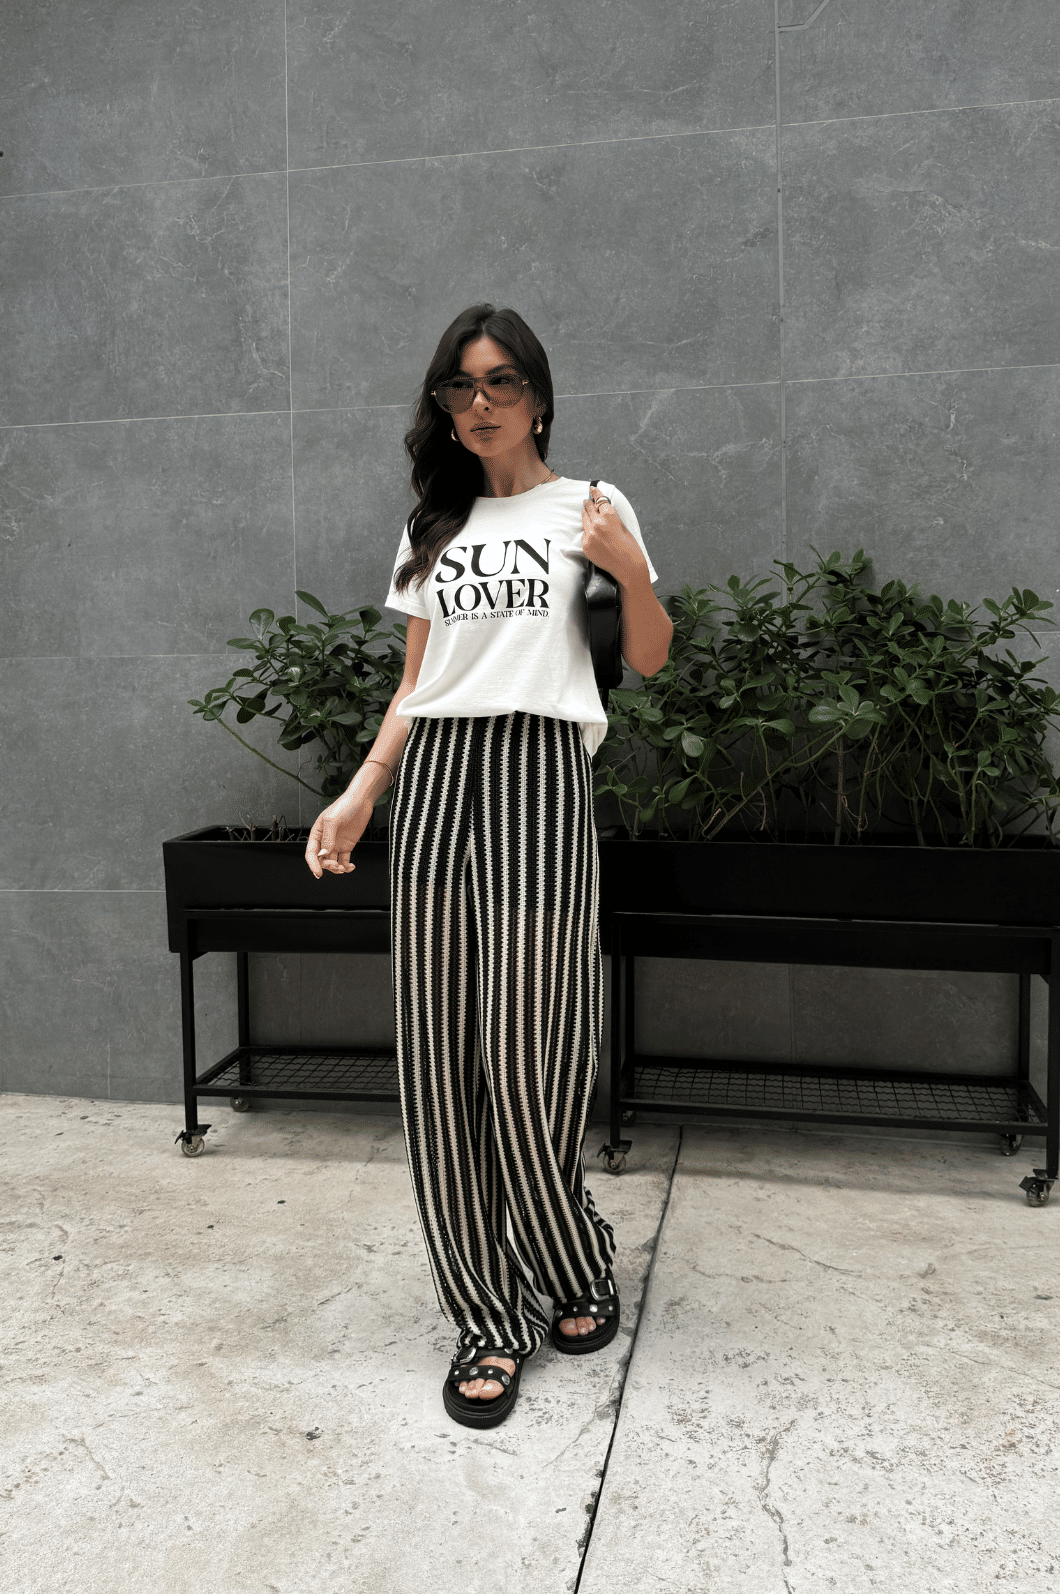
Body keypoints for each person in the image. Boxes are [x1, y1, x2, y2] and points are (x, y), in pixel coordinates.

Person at [304, 304, 672, 1428]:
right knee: (436, 1058)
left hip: (541, 773)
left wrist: (628, 570)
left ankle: (570, 1253)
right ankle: (486, 1315)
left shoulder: (592, 507)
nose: (480, 402)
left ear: (539, 397)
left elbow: (648, 657)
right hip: (437, 780)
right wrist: (362, 791)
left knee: (527, 1050)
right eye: (460, 386)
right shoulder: (433, 527)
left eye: (502, 381)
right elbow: (416, 684)